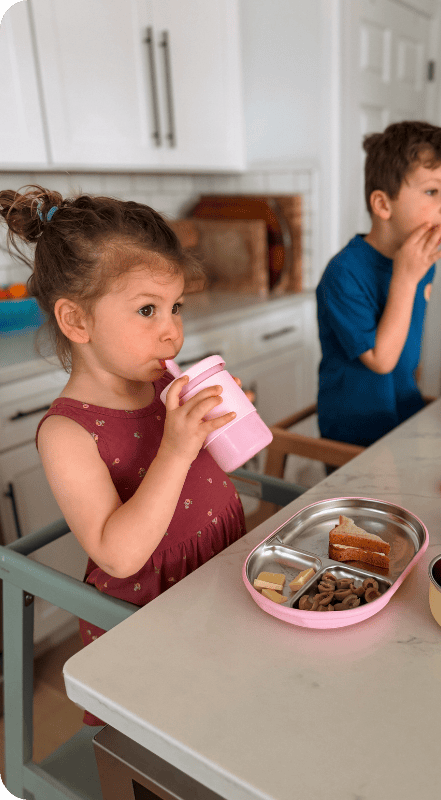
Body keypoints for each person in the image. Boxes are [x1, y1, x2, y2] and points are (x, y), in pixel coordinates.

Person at [0, 186, 247, 725]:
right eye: (147, 310)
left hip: (219, 576)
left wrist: (224, 425)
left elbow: (203, 479)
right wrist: (179, 449)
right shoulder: (67, 432)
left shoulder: (161, 385)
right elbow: (118, 555)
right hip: (152, 621)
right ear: (76, 322)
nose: (173, 331)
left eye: (175, 307)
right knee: (181, 735)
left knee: (231, 715)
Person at [316, 120, 441, 447]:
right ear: (383, 204)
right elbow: (381, 360)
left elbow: (408, 343)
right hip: (355, 430)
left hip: (404, 414)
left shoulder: (421, 263)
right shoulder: (343, 273)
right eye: (432, 191)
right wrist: (405, 278)